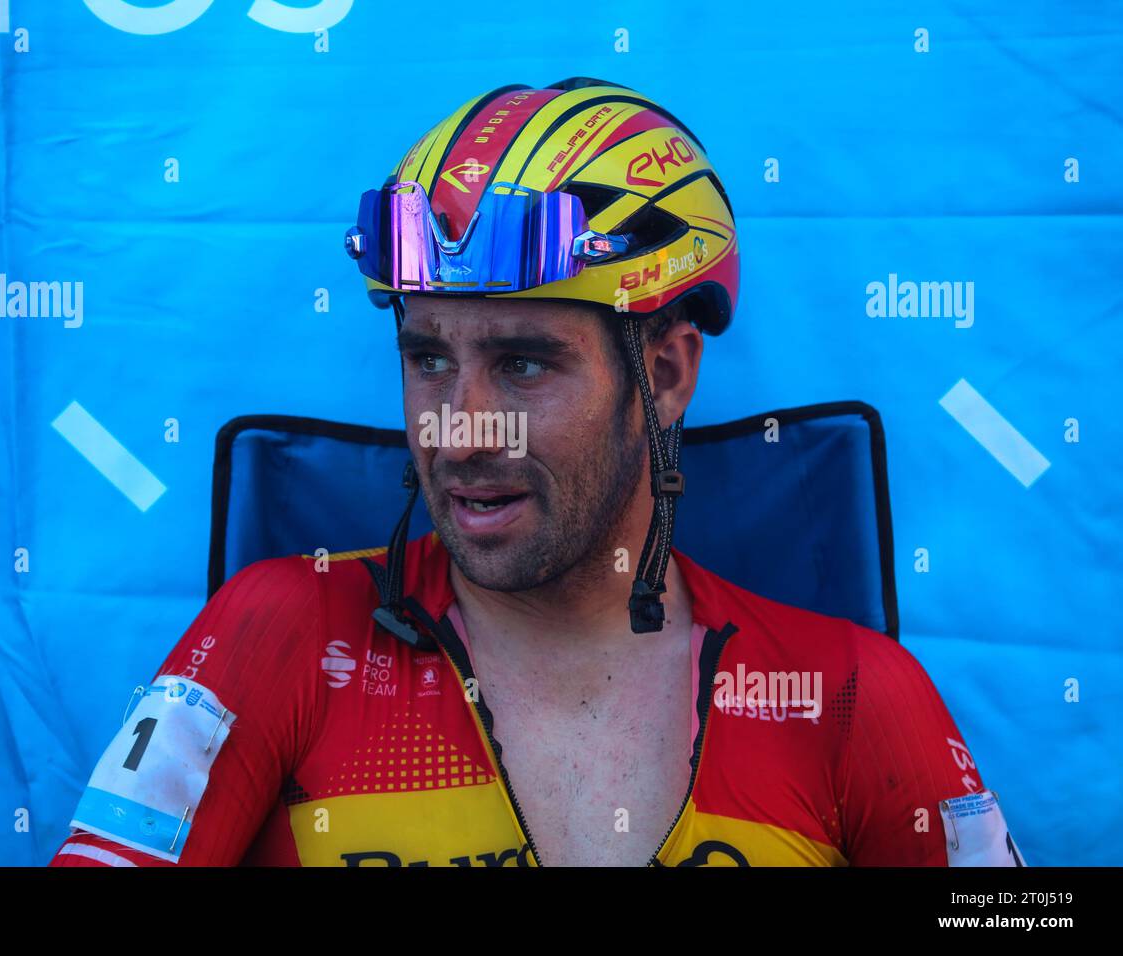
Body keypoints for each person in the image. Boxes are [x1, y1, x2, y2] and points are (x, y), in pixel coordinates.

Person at [49, 77, 1022, 867]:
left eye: (522, 361)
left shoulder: (852, 690)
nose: (459, 430)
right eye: (428, 357)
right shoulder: (276, 632)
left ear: (668, 373)